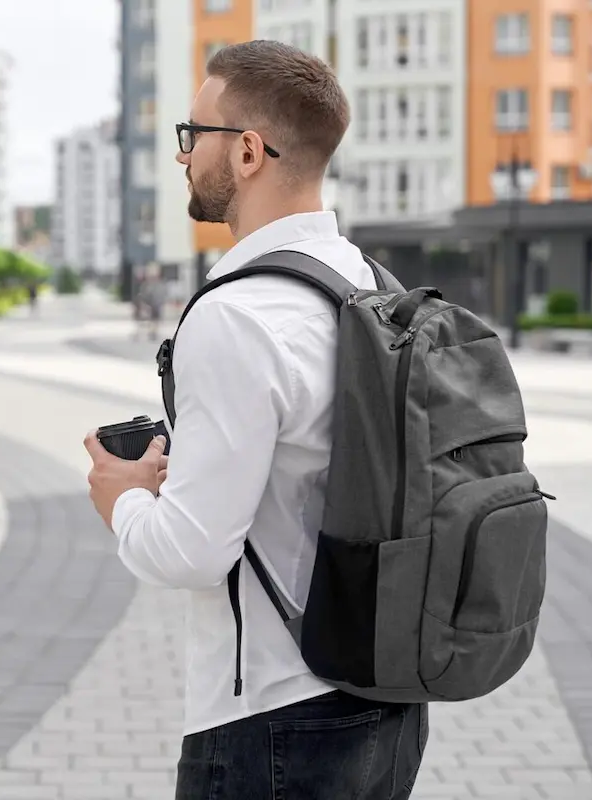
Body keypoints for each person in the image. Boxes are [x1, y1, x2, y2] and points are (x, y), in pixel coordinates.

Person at [83, 40, 427, 799]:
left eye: (192, 134)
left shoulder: (238, 315)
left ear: (246, 152)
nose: (182, 156)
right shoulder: (368, 285)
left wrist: (123, 497)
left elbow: (191, 553)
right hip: (387, 699)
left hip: (272, 720)